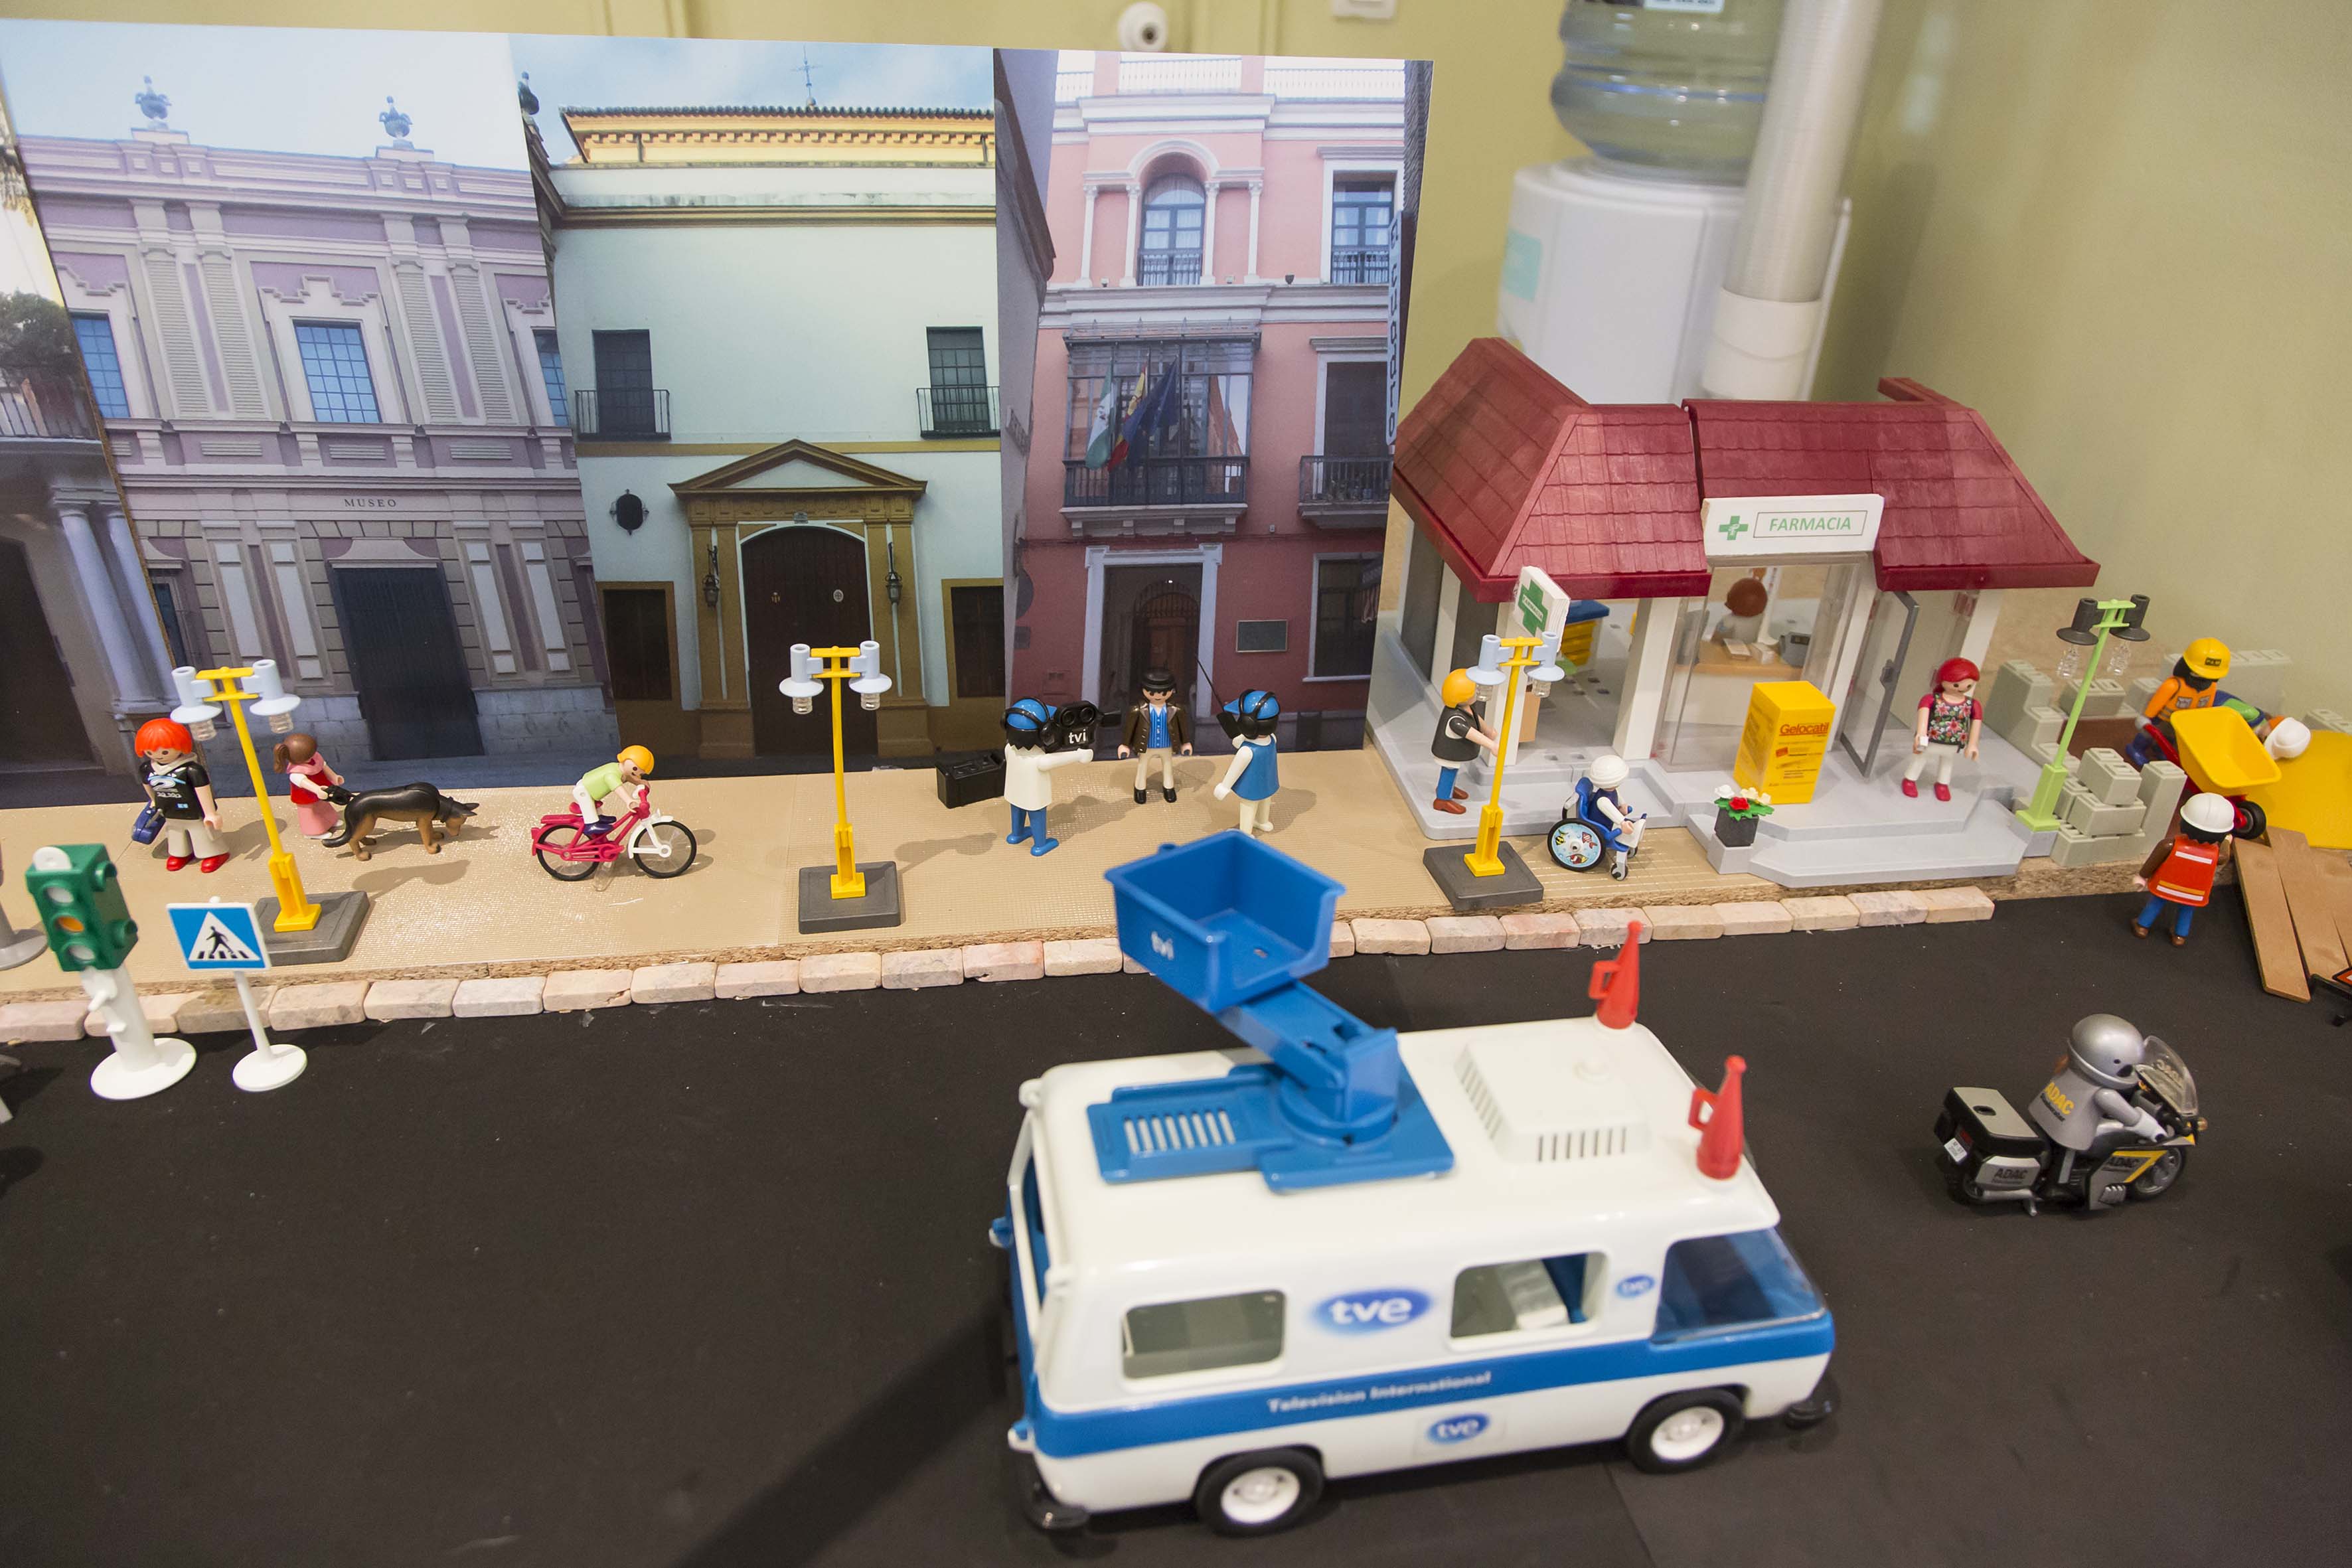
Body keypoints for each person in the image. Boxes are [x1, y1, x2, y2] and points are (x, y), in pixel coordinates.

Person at [2027, 1014, 2166, 1159]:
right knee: (2067, 1159)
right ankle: (2062, 1175)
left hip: (2046, 1112)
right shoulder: (2105, 1095)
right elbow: (2131, 1118)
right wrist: (2154, 1131)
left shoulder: (2068, 1065)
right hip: (2069, 1135)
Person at [2130, 790, 2234, 945]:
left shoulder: (2170, 845)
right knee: (2187, 910)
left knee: (2156, 903)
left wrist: (2142, 876)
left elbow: (2153, 861)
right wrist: (2226, 841)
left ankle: (2142, 926)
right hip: (2194, 892)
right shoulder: (2216, 855)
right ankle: (2180, 936)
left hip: (2166, 885)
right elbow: (2224, 856)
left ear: (2183, 823)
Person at [135, 717, 229, 873]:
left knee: (201, 832)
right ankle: (180, 853)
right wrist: (154, 802)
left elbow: (203, 790)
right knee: (175, 833)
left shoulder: (191, 770)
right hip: (169, 810)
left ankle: (213, 853)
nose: (158, 756)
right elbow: (148, 786)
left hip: (194, 810)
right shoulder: (147, 769)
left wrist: (210, 813)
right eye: (150, 752)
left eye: (165, 751)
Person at [1003, 698, 1093, 856]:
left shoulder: (1009, 750)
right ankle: (1040, 844)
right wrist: (1079, 755)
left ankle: (1017, 834)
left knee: (1017, 810)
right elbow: (1056, 760)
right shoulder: (1039, 760)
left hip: (1013, 793)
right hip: (1034, 797)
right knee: (1037, 816)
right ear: (1045, 733)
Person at [2126, 637, 2229, 767]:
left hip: (2183, 722)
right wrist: (2147, 717)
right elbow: (2156, 703)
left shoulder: (2211, 687)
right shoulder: (2173, 685)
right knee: (2148, 734)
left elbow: (2206, 707)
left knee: (2170, 737)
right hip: (2163, 720)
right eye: (2199, 674)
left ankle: (2161, 750)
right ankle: (2137, 748)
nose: (2204, 680)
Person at [1903, 657, 1982, 802]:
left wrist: (1972, 745)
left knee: (1947, 762)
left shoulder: (1972, 704)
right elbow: (1923, 717)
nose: (1962, 688)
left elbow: (1976, 723)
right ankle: (1910, 780)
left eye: (1969, 685)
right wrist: (1920, 734)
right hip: (1931, 739)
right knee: (1920, 758)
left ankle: (1943, 784)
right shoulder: (1931, 699)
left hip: (1954, 742)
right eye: (1957, 684)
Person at [1117, 668, 1192, 804]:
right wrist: (1125, 745)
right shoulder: (1138, 711)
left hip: (1167, 745)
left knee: (1168, 766)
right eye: (1152, 692)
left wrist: (1186, 743)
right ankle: (1140, 789)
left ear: (1172, 691)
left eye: (1164, 693)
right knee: (1142, 767)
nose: (1158, 696)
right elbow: (1130, 728)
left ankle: (1169, 788)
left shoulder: (1176, 710)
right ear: (1144, 691)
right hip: (1146, 745)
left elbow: (1182, 728)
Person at [1212, 690, 1281, 836]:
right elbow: (1250, 740)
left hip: (1251, 787)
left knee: (1248, 806)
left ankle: (1246, 833)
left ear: (1248, 725)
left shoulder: (1246, 751)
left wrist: (1224, 786)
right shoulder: (1272, 739)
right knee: (1265, 802)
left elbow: (1235, 769)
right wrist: (1243, 738)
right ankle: (1262, 821)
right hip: (1269, 783)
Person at [1429, 668, 1498, 816]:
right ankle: (1442, 799)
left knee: (1453, 771)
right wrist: (1490, 745)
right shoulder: (1455, 720)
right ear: (1464, 695)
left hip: (1455, 752)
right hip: (1449, 752)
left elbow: (1476, 719)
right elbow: (1470, 733)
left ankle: (1448, 789)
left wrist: (1488, 731)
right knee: (1449, 771)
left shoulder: (1466, 708)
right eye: (1474, 691)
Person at [1577, 753, 1644, 880]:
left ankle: (1632, 837)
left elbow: (1617, 797)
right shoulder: (1603, 800)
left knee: (1630, 828)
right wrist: (1622, 822)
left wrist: (1623, 805)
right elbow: (1611, 811)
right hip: (1603, 826)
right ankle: (1621, 862)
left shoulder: (1611, 791)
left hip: (1608, 821)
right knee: (1626, 835)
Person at [274, 732, 345, 840]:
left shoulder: (314, 757)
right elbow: (304, 782)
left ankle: (330, 821)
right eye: (309, 756)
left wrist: (334, 777)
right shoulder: (296, 772)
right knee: (310, 814)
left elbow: (323, 766)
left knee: (324, 806)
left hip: (321, 791)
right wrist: (317, 789)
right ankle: (313, 832)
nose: (313, 757)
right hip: (306, 796)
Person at [574, 745, 654, 838]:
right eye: (637, 770)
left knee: (593, 805)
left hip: (589, 789)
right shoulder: (612, 774)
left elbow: (628, 777)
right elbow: (617, 787)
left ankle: (598, 817)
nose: (638, 775)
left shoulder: (619, 770)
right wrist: (628, 800)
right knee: (589, 806)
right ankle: (591, 825)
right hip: (583, 790)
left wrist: (639, 782)